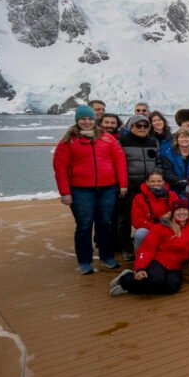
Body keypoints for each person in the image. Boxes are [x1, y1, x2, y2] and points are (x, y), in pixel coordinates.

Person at [52, 105, 128, 273]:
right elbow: (60, 168)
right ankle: (84, 261)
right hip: (80, 190)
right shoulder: (68, 141)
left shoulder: (107, 138)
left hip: (107, 189)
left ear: (95, 120)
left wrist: (122, 184)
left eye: (90, 119)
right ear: (77, 121)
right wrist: (65, 192)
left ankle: (107, 257)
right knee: (84, 225)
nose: (87, 122)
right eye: (83, 119)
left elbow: (119, 161)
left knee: (105, 224)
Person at [109, 199, 189, 296]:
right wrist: (140, 268)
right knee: (156, 281)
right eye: (178, 210)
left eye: (184, 209)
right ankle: (126, 280)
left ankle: (130, 287)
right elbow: (146, 249)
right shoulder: (161, 227)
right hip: (159, 259)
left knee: (171, 287)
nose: (181, 213)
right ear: (172, 213)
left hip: (176, 264)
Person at [117, 114, 161, 257]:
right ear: (131, 127)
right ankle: (126, 247)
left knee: (151, 216)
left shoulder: (153, 142)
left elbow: (158, 161)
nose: (142, 128)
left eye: (145, 126)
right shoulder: (122, 141)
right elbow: (118, 163)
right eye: (138, 126)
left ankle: (150, 244)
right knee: (125, 218)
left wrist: (158, 178)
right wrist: (121, 183)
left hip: (150, 188)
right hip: (129, 186)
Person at [130, 170, 179, 251]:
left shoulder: (172, 195)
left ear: (164, 182)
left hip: (169, 227)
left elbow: (179, 214)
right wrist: (156, 228)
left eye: (159, 181)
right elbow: (137, 221)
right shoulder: (139, 198)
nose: (156, 184)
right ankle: (141, 257)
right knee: (140, 234)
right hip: (149, 229)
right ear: (147, 182)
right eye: (152, 181)